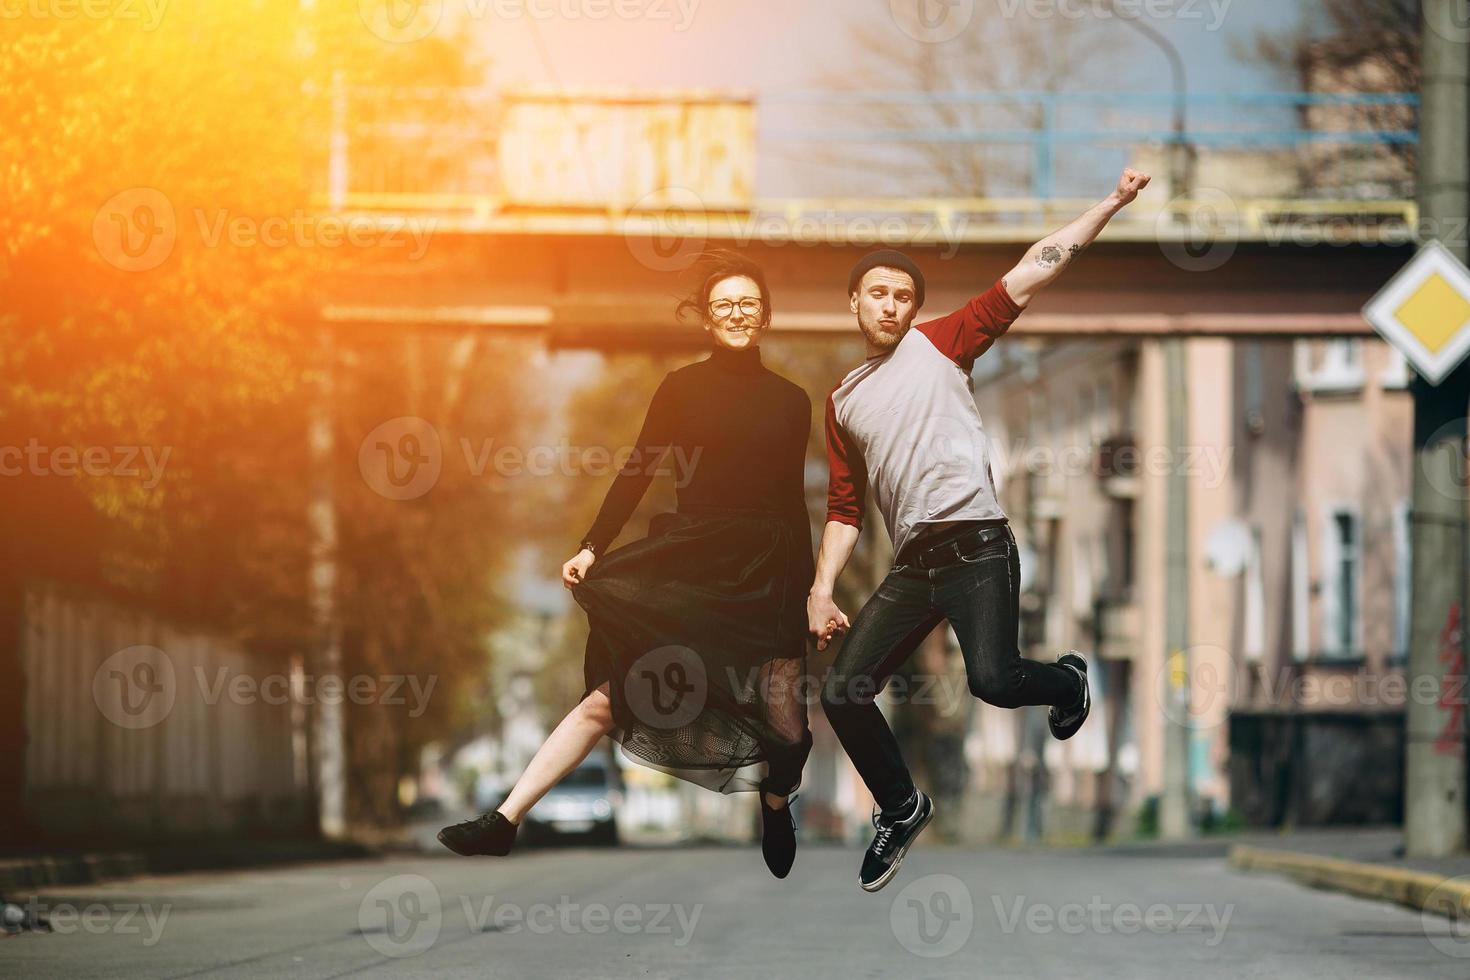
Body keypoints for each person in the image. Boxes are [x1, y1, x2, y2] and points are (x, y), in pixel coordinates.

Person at [808, 168, 1152, 892]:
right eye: (879, 293)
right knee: (843, 690)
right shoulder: (840, 403)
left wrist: (1110, 205)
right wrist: (820, 589)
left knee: (994, 681)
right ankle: (901, 808)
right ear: (854, 302)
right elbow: (844, 508)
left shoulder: (942, 343)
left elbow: (1034, 270)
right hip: (911, 565)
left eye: (904, 296)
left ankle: (1067, 682)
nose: (892, 305)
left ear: (913, 310)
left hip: (977, 543)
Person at [440, 250, 815, 879]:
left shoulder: (792, 400)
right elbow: (639, 468)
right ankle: (504, 821)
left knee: (788, 728)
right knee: (606, 700)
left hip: (767, 575)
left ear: (767, 316)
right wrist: (593, 544)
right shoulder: (680, 388)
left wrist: (812, 592)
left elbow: (790, 502)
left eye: (750, 304)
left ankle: (776, 803)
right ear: (706, 319)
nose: (738, 315)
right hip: (690, 569)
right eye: (725, 305)